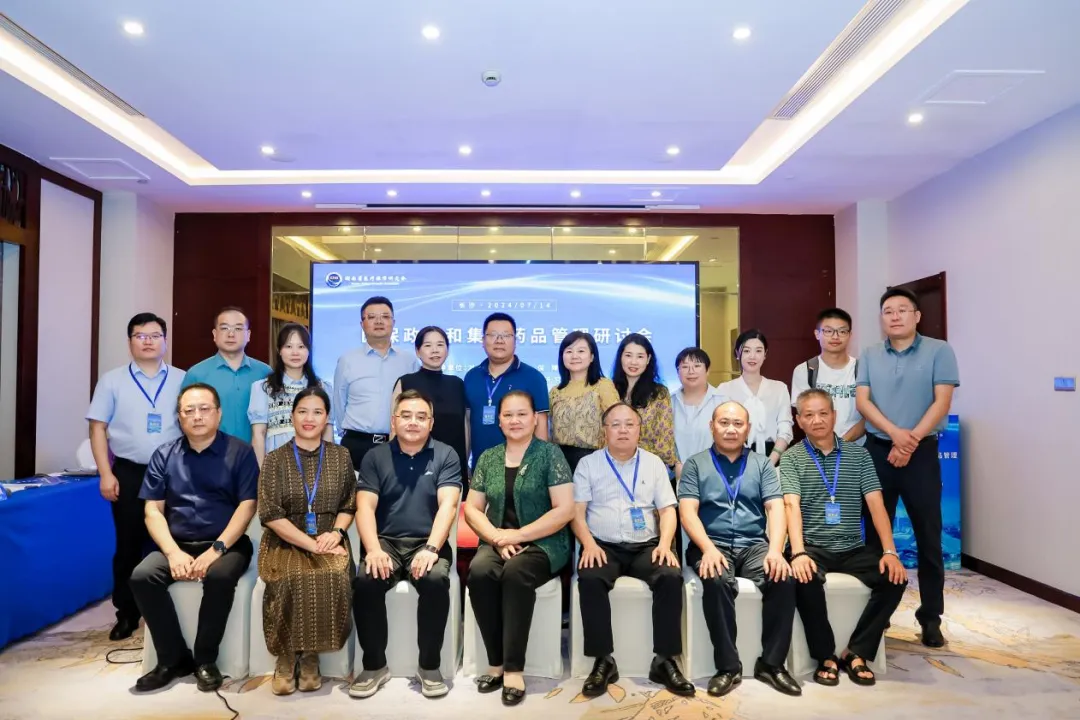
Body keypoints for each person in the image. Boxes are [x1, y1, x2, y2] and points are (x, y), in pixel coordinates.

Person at [129, 383, 258, 693]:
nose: (197, 416)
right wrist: (172, 553)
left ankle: (205, 659)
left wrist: (216, 550)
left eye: (204, 409)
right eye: (189, 411)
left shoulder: (240, 452)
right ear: (179, 417)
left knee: (220, 577)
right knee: (142, 577)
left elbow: (247, 506)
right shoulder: (164, 454)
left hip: (227, 543)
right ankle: (172, 659)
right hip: (178, 543)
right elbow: (153, 511)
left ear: (218, 414)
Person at [781, 389, 908, 687]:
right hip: (812, 547)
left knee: (895, 579)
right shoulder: (792, 458)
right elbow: (791, 506)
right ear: (799, 421)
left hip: (853, 547)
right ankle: (825, 655)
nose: (817, 420)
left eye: (823, 413)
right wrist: (798, 552)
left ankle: (858, 651)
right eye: (809, 415)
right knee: (803, 578)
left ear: (834, 415)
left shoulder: (858, 456)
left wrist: (890, 551)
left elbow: (876, 505)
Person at [856, 287, 959, 648]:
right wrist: (895, 434)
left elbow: (941, 402)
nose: (895, 316)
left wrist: (909, 441)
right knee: (874, 538)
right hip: (877, 451)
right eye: (888, 311)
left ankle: (930, 618)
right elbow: (863, 402)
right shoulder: (870, 354)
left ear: (917, 316)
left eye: (902, 309)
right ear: (881, 319)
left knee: (928, 537)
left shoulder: (939, 351)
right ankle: (878, 614)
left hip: (922, 453)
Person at [678, 401, 801, 698]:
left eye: (737, 424)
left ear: (748, 429)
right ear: (712, 426)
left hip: (754, 545)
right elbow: (687, 512)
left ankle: (771, 664)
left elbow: (775, 508)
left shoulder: (761, 464)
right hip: (711, 543)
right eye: (724, 423)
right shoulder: (695, 464)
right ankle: (728, 667)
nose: (731, 429)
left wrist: (775, 551)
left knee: (783, 578)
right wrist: (708, 548)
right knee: (716, 579)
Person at [570, 403, 692, 698]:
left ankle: (664, 660)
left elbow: (668, 510)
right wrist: (588, 544)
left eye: (629, 424)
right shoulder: (588, 464)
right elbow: (577, 512)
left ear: (639, 430)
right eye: (615, 425)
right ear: (605, 430)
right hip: (603, 545)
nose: (622, 430)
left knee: (670, 575)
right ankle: (603, 661)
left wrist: (665, 545)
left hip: (646, 546)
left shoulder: (654, 463)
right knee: (590, 577)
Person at [464, 390, 575, 706]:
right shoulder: (488, 457)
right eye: (508, 415)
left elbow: (565, 509)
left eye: (522, 414)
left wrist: (518, 535)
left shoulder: (550, 455)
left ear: (535, 419)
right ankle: (495, 663)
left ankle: (514, 669)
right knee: (480, 571)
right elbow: (472, 508)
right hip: (498, 539)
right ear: (499, 420)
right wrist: (497, 538)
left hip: (544, 542)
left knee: (515, 573)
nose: (515, 420)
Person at [350, 389, 462, 700]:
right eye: (406, 416)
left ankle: (429, 667)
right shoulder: (375, 457)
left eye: (421, 417)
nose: (413, 422)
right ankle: (374, 666)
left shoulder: (446, 454)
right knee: (366, 581)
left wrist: (432, 549)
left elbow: (449, 506)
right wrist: (373, 549)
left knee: (435, 580)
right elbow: (364, 507)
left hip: (428, 542)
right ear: (394, 420)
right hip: (385, 542)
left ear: (431, 422)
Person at [87, 312, 187, 641]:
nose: (148, 341)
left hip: (173, 472)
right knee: (128, 544)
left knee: (172, 540)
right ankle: (127, 613)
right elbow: (97, 428)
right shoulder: (112, 380)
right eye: (140, 336)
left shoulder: (182, 379)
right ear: (130, 341)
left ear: (165, 341)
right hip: (129, 471)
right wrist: (106, 473)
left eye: (155, 335)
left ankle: (170, 611)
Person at [257, 386, 356, 696]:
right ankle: (286, 657)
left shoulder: (341, 456)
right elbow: (270, 514)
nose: (309, 418)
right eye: (302, 411)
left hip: (329, 537)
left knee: (332, 573)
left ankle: (311, 655)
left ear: (327, 418)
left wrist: (337, 534)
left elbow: (349, 504)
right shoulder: (274, 459)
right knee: (289, 576)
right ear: (292, 416)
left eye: (317, 412)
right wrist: (310, 544)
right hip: (285, 538)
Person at [333, 296, 418, 470]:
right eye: (371, 317)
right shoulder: (347, 360)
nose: (379, 322)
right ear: (362, 324)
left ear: (393, 322)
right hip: (357, 444)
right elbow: (339, 403)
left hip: (398, 443)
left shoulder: (409, 361)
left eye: (385, 317)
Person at [463, 312, 549, 468]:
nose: (499, 340)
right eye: (493, 335)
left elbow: (541, 429)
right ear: (483, 341)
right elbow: (467, 425)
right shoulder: (471, 377)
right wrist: (465, 465)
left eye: (506, 335)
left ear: (515, 341)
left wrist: (539, 469)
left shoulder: (534, 378)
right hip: (480, 470)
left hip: (522, 470)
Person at [392, 326, 468, 488]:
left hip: (452, 466)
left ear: (447, 350)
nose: (435, 350)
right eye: (428, 345)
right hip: (413, 465)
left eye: (440, 345)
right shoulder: (405, 382)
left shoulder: (457, 384)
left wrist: (465, 461)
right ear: (417, 351)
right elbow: (394, 429)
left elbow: (465, 428)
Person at [182, 306, 272, 443]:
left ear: (248, 335)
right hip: (209, 452)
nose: (231, 334)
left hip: (256, 452)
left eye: (238, 328)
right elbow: (185, 418)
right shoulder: (196, 374)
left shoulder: (265, 372)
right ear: (214, 334)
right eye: (224, 328)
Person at [249, 323, 332, 466]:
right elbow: (258, 434)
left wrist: (327, 470)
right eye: (288, 346)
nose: (295, 352)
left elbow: (327, 433)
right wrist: (262, 473)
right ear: (279, 350)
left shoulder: (323, 388)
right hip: (276, 466)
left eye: (301, 347)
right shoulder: (263, 388)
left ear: (308, 350)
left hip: (314, 465)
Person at [717, 330, 793, 466]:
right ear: (737, 354)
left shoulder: (779, 388)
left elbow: (785, 427)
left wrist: (771, 461)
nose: (752, 356)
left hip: (773, 456)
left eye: (758, 351)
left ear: (765, 354)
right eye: (746, 351)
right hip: (734, 459)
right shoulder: (725, 389)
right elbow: (721, 429)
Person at [549, 331, 620, 473]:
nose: (574, 356)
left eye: (581, 351)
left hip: (596, 462)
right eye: (569, 351)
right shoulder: (555, 391)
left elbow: (616, 423)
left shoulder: (603, 386)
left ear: (592, 356)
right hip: (560, 463)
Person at [790, 309, 864, 443]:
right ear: (817, 334)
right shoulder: (805, 370)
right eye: (828, 331)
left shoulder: (863, 369)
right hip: (818, 448)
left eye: (842, 331)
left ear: (850, 335)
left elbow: (870, 415)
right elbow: (805, 415)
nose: (835, 337)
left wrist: (842, 443)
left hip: (858, 447)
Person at [611, 333, 679, 472]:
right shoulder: (608, 390)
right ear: (620, 357)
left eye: (640, 356)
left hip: (648, 467)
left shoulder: (659, 393)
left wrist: (631, 452)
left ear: (648, 359)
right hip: (611, 465)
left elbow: (665, 440)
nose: (633, 362)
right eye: (628, 355)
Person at [671, 347, 726, 475]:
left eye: (697, 366)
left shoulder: (723, 402)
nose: (691, 371)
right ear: (678, 372)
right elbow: (663, 441)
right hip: (677, 476)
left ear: (707, 370)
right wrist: (675, 466)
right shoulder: (669, 402)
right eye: (685, 367)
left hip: (715, 475)